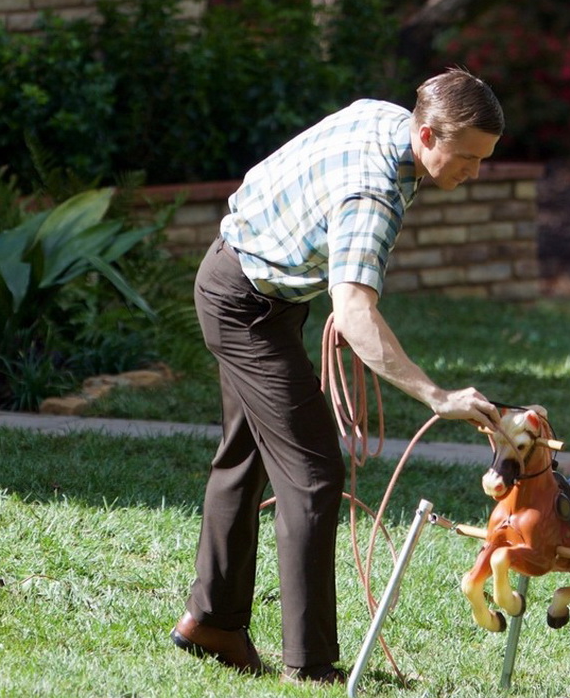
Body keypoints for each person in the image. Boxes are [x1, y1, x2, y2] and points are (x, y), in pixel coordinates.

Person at [170, 68, 505, 684]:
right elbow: (354, 310)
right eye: (467, 157)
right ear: (426, 134)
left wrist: (331, 279)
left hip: (244, 279)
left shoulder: (386, 118)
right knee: (314, 473)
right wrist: (436, 396)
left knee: (244, 456)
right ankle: (310, 664)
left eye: (484, 158)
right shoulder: (372, 196)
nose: (475, 172)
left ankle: (211, 622)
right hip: (246, 307)